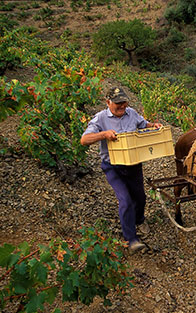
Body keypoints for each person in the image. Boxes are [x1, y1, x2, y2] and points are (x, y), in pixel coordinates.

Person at [80, 87, 162, 253]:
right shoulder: (100, 118)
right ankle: (131, 239)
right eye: (118, 103)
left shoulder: (131, 113)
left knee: (140, 197)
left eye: (124, 103)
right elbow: (84, 140)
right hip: (113, 167)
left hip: (133, 164)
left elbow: (142, 124)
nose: (122, 106)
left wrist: (153, 126)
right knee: (125, 200)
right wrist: (104, 134)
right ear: (108, 102)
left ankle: (139, 220)